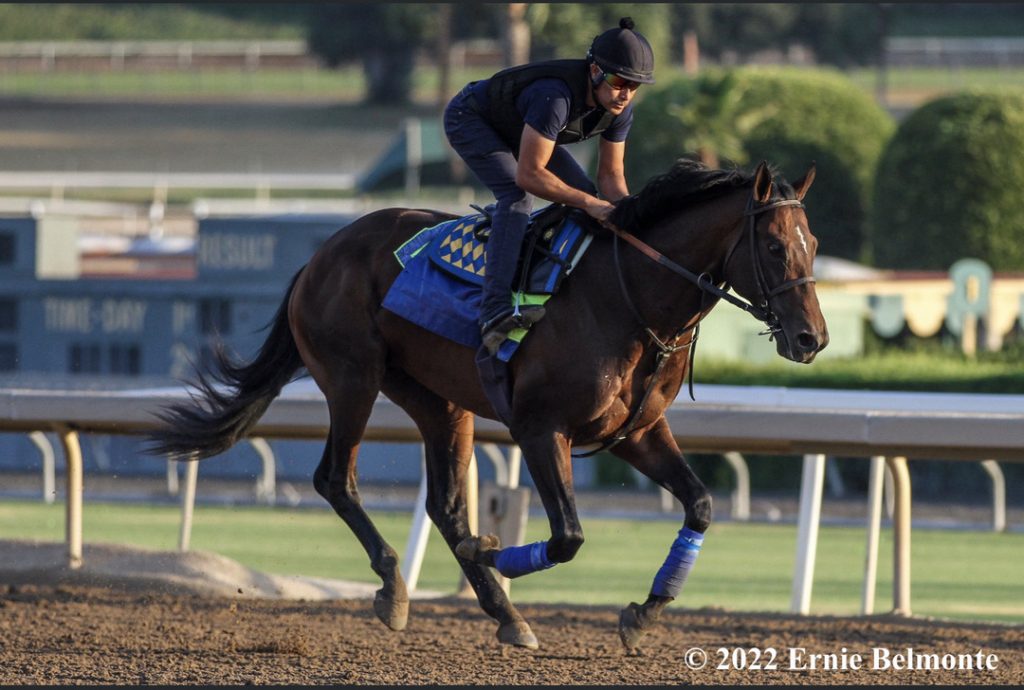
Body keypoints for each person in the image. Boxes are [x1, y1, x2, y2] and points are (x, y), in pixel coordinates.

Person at [443, 17, 655, 355]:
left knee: (585, 190)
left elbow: (611, 179)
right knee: (517, 197)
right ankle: (493, 309)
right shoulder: (554, 96)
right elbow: (529, 175)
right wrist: (588, 203)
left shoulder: (620, 110)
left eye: (635, 86)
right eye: (618, 81)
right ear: (595, 71)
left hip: (522, 126)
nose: (625, 94)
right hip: (471, 118)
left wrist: (633, 221)